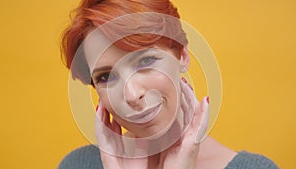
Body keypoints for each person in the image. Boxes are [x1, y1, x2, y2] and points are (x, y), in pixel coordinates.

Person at [58, 0, 279, 168]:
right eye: (106, 77)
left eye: (146, 61)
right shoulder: (78, 164)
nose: (132, 94)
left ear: (182, 55)